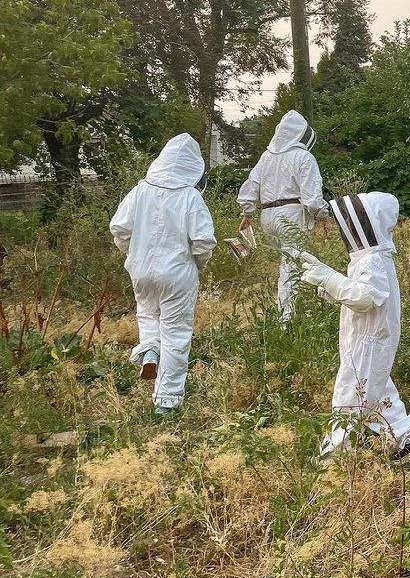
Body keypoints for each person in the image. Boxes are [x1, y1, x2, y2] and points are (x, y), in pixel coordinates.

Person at [297, 191, 410, 462]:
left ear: (368, 223)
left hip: (368, 342)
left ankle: (331, 466)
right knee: (378, 392)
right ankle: (407, 442)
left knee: (348, 404)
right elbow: (361, 296)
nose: (348, 226)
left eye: (354, 220)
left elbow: (365, 298)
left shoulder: (373, 260)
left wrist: (329, 278)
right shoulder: (369, 258)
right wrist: (328, 285)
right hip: (368, 340)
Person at [109, 134, 216, 415]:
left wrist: (134, 254)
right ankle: (166, 402)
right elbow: (204, 241)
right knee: (176, 333)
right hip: (177, 273)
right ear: (192, 167)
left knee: (147, 313)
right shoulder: (190, 196)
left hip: (141, 270)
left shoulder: (140, 190)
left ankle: (150, 351)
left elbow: (119, 228)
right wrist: (197, 264)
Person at [237, 110, 327, 322]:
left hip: (267, 216)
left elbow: (251, 186)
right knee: (291, 266)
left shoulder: (266, 157)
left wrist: (247, 212)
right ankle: (287, 319)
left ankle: (296, 310)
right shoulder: (304, 157)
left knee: (287, 263)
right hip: (291, 216)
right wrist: (324, 215)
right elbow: (312, 199)